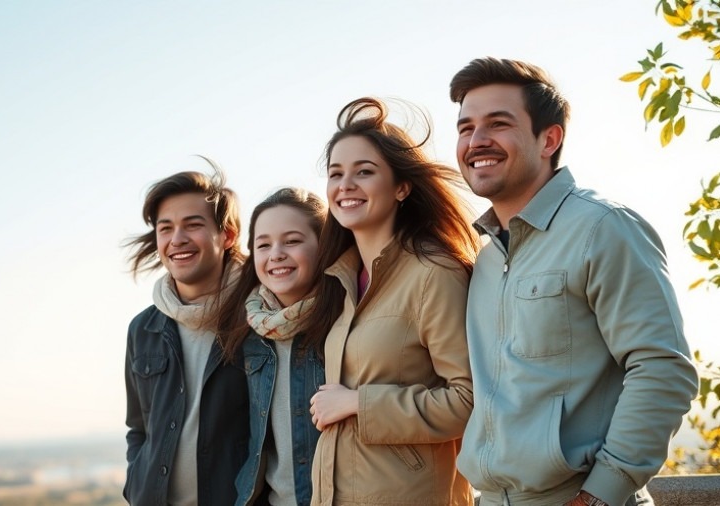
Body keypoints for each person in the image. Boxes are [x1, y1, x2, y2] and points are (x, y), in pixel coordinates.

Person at [449, 57, 700, 506]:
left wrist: (601, 494)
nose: (476, 140)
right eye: (465, 128)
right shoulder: (484, 259)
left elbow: (663, 367)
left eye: (497, 124)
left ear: (550, 138)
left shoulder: (603, 227)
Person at [304, 97, 480, 506]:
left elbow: (469, 401)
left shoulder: (434, 273)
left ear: (402, 186)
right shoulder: (342, 282)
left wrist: (357, 403)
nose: (345, 185)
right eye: (336, 173)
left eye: (364, 172)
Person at [123, 166, 250, 506]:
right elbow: (139, 429)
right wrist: (136, 484)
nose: (176, 239)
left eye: (193, 225)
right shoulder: (143, 329)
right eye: (166, 228)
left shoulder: (258, 317)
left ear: (228, 235)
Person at [213, 187, 327, 506]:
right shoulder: (249, 332)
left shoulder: (346, 321)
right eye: (264, 245)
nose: (276, 254)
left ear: (324, 245)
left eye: (291, 241)